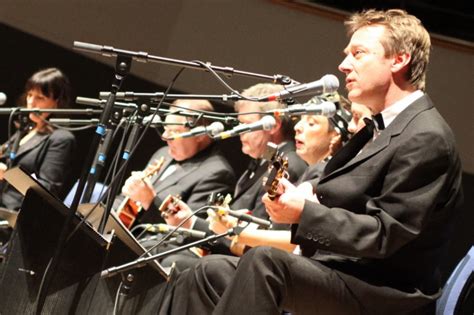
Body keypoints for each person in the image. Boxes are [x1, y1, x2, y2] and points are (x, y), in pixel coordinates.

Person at [163, 9, 463, 314]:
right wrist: (304, 202)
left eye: (358, 54)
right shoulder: (378, 127)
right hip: (341, 271)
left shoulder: (426, 136)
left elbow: (386, 234)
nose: (344, 65)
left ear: (399, 60)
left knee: (265, 263)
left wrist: (305, 212)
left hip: (384, 292)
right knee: (206, 272)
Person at [116, 99, 236, 227]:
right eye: (166, 128)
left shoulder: (218, 173)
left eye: (174, 131)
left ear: (201, 134)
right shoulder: (164, 153)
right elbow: (124, 201)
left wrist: (150, 201)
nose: (164, 136)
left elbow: (187, 232)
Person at [0, 68, 76, 211]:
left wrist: (7, 173)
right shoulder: (26, 129)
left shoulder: (61, 139)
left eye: (40, 98)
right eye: (29, 95)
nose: (31, 102)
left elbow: (47, 190)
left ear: (57, 102)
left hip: (15, 217)